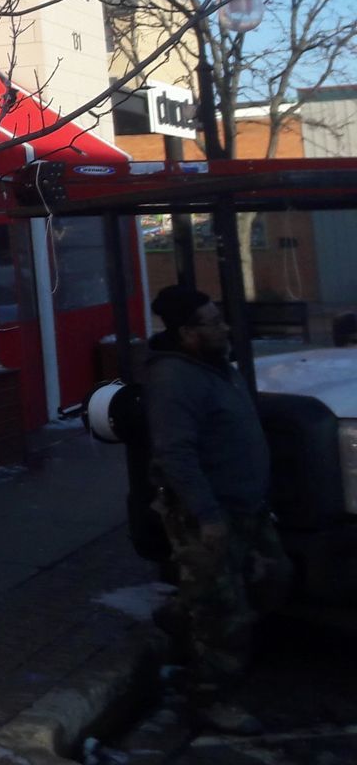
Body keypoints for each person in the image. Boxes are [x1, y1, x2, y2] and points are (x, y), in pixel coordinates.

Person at [144, 284, 291, 733]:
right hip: (210, 515)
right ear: (188, 332)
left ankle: (183, 612)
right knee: (223, 614)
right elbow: (176, 454)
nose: (223, 327)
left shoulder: (211, 364)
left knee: (276, 577)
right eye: (213, 322)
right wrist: (207, 516)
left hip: (247, 507)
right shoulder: (175, 380)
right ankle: (209, 697)